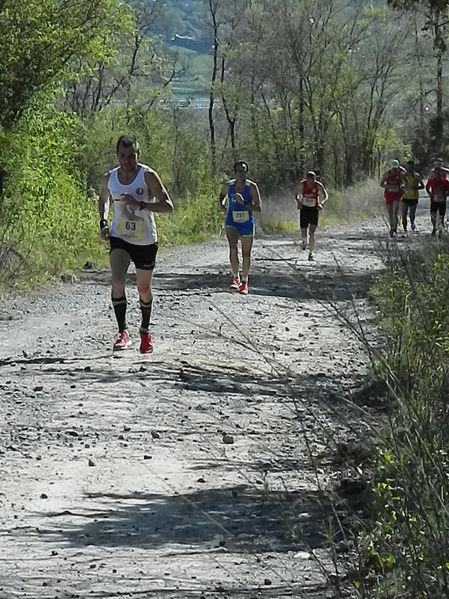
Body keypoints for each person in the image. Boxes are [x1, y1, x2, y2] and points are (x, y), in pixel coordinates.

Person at [98, 135, 174, 353]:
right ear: (117, 155)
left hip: (145, 240)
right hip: (120, 237)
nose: (127, 161)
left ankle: (145, 330)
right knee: (117, 281)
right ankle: (123, 332)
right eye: (123, 156)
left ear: (137, 155)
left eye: (132, 156)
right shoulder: (110, 178)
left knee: (143, 288)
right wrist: (103, 223)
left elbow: (168, 206)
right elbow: (103, 200)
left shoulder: (147, 175)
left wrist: (141, 204)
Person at [218, 160, 261, 295]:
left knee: (246, 253)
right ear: (234, 172)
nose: (241, 174)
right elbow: (221, 196)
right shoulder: (229, 185)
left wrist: (245, 203)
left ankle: (245, 281)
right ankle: (235, 277)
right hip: (231, 222)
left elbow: (258, 208)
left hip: (246, 223)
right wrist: (222, 205)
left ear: (246, 172)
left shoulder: (251, 187)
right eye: (239, 171)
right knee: (232, 248)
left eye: (244, 171)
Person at [295, 170, 329, 261]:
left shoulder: (318, 185)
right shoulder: (302, 184)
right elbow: (297, 195)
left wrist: (321, 203)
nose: (310, 182)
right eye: (309, 180)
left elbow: (326, 195)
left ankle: (311, 253)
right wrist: (299, 202)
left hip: (314, 209)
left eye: (312, 180)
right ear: (306, 179)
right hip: (304, 209)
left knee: (312, 232)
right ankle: (304, 241)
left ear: (314, 179)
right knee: (303, 231)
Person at [380, 159, 405, 237]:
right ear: (390, 167)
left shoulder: (400, 174)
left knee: (395, 211)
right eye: (393, 168)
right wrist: (387, 186)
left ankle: (395, 228)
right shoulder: (387, 174)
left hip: (397, 194)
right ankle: (391, 226)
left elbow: (405, 181)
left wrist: (402, 186)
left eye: (395, 168)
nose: (394, 169)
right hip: (389, 194)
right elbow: (381, 184)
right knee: (390, 212)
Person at [425, 162, 449, 238]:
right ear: (433, 173)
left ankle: (440, 232)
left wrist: (446, 194)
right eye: (435, 172)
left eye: (438, 172)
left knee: (441, 216)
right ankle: (434, 228)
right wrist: (429, 193)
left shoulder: (445, 181)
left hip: (442, 201)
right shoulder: (431, 180)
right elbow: (427, 187)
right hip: (433, 201)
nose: (437, 173)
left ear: (441, 172)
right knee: (433, 215)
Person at [401, 160, 424, 234]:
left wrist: (415, 188)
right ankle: (405, 230)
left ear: (413, 167)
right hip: (405, 197)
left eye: (411, 167)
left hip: (414, 197)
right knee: (403, 214)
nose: (409, 168)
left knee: (411, 215)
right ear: (406, 167)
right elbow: (400, 184)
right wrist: (402, 188)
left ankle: (412, 223)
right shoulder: (403, 175)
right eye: (408, 167)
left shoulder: (416, 176)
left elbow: (422, 186)